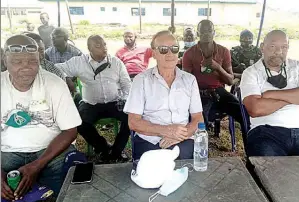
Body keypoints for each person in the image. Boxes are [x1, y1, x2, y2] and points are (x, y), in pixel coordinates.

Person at [1, 35, 82, 199]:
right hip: (7, 153)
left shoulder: (54, 83)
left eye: (32, 61)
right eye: (17, 62)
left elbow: (70, 131)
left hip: (50, 151)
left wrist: (36, 165)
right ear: (4, 60)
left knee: (77, 190)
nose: (26, 67)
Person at [240, 30, 299, 156]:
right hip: (266, 132)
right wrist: (297, 97)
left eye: (284, 47)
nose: (278, 51)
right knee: (268, 170)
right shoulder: (251, 72)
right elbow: (255, 108)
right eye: (272, 46)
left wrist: (270, 94)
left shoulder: (298, 66)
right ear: (262, 47)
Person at [124, 30, 203, 160]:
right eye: (163, 49)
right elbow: (133, 122)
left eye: (174, 48)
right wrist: (166, 130)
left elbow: (198, 118)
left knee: (186, 170)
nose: (170, 53)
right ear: (154, 53)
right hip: (149, 140)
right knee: (153, 174)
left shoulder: (190, 80)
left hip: (183, 139)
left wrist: (179, 135)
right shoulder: (141, 80)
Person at [56, 35, 132, 162]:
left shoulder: (116, 62)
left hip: (115, 101)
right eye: (98, 45)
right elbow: (56, 68)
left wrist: (124, 99)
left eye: (105, 44)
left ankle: (116, 151)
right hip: (90, 103)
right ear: (89, 48)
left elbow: (126, 83)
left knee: (132, 119)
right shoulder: (79, 62)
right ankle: (103, 147)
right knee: (79, 122)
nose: (104, 48)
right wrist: (66, 77)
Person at [182, 19, 242, 128]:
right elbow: (185, 82)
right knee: (199, 123)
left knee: (244, 115)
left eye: (209, 31)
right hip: (199, 92)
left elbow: (229, 80)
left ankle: (250, 143)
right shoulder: (189, 53)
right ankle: (201, 141)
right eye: (203, 31)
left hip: (219, 92)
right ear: (198, 33)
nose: (206, 34)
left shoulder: (223, 51)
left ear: (214, 32)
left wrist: (218, 67)